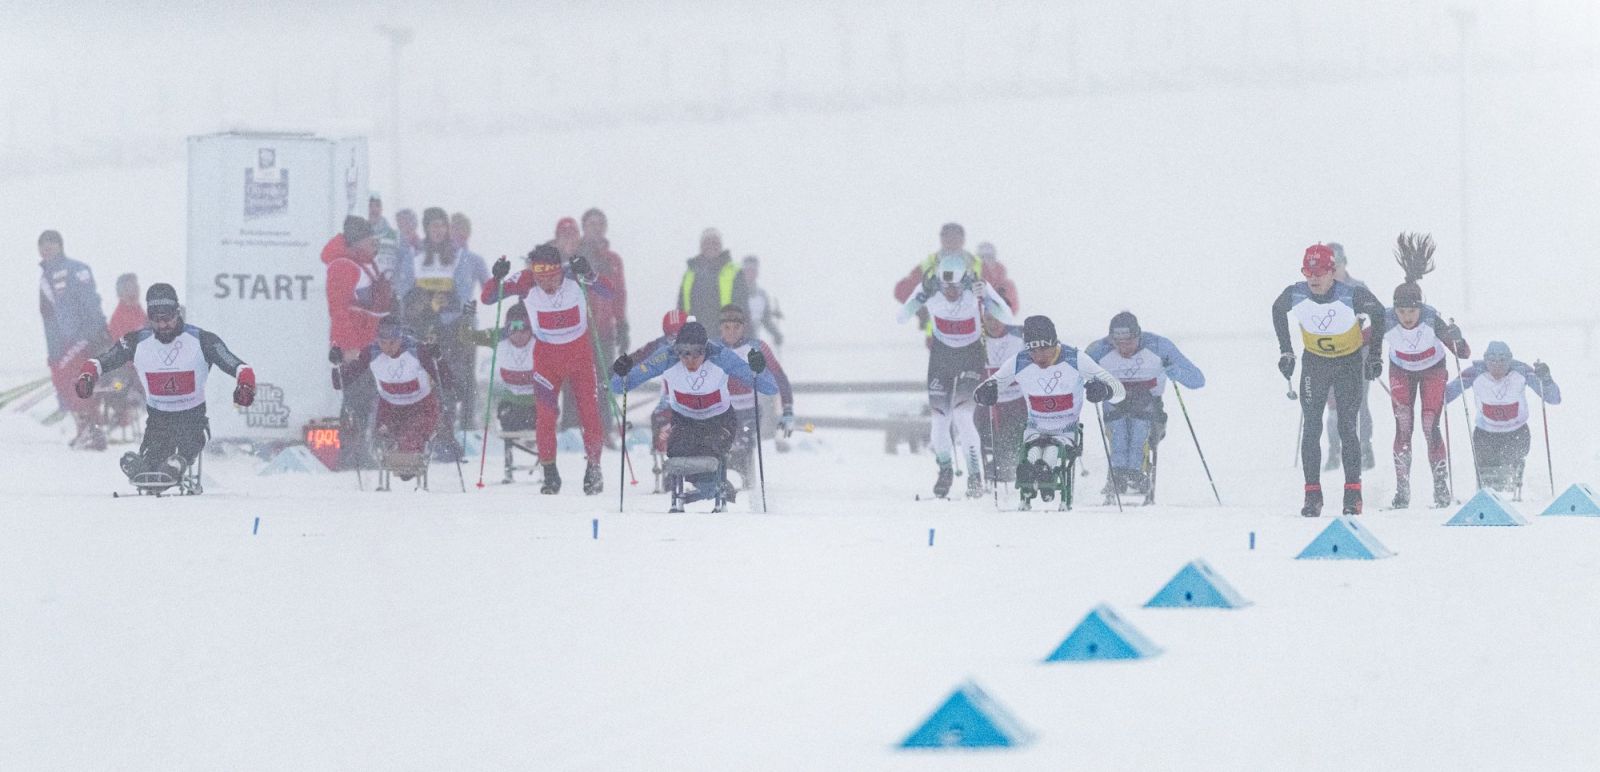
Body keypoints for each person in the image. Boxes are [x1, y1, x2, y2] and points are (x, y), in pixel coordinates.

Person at [75, 283, 254, 490]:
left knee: (188, 443)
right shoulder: (136, 341)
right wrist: (87, 376)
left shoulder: (202, 340)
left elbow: (239, 366)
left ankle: (178, 462)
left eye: (168, 318)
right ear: (149, 317)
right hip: (159, 421)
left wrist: (245, 386)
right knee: (152, 469)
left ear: (177, 313)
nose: (163, 325)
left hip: (192, 419)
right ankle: (147, 464)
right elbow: (101, 361)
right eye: (156, 319)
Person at [482, 244, 612, 495]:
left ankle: (594, 468)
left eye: (552, 276)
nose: (546, 283)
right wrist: (496, 276)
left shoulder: (574, 275)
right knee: (546, 416)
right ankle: (550, 474)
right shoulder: (525, 280)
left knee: (589, 413)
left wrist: (590, 274)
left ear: (559, 270)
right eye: (540, 277)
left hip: (579, 357)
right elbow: (488, 298)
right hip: (546, 358)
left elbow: (608, 291)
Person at [609, 320, 777, 510]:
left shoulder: (721, 356)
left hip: (719, 420)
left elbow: (769, 387)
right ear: (676, 350)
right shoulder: (666, 356)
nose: (690, 360)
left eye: (697, 352)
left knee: (709, 451)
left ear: (705, 349)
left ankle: (712, 486)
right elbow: (618, 386)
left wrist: (758, 369)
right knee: (676, 454)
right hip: (685, 421)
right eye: (683, 353)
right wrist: (622, 372)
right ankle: (710, 486)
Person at [1273, 243, 1387, 517]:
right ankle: (1312, 496)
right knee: (1312, 428)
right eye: (1308, 272)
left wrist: (1374, 355)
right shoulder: (1296, 293)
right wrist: (1286, 351)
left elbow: (1380, 313)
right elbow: (1277, 310)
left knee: (1347, 428)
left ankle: (1352, 494)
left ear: (1332, 271)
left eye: (1320, 272)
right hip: (1315, 363)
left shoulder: (1352, 295)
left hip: (1348, 363)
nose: (1313, 278)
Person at [897, 253, 1020, 498]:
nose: (950, 291)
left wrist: (987, 294)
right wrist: (920, 296)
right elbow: (901, 318)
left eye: (955, 286)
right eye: (945, 286)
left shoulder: (974, 291)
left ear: (965, 280)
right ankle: (945, 470)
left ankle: (975, 475)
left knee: (964, 416)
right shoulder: (930, 288)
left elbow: (1007, 316)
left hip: (971, 356)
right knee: (940, 420)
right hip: (941, 359)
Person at [975, 315, 1125, 507]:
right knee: (1034, 450)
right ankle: (1030, 478)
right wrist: (984, 394)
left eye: (1045, 349)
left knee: (1054, 450)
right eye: (1032, 350)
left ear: (1055, 342)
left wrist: (1105, 390)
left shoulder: (1075, 358)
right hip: (1035, 427)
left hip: (1066, 429)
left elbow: (1120, 391)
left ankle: (1046, 477)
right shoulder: (1019, 362)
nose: (1039, 356)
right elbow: (986, 388)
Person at [1383, 234, 1471, 508]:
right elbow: (1358, 341)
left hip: (1433, 370)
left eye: (1412, 311)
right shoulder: (1386, 319)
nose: (1407, 317)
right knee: (1404, 424)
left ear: (1420, 309)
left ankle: (1440, 487)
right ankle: (1402, 490)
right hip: (1401, 371)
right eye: (1402, 311)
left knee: (1429, 423)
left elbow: (1464, 353)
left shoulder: (1432, 319)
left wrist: (1457, 337)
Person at [1085, 311, 1205, 499]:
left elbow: (1198, 380)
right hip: (1115, 405)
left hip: (1148, 406)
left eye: (1129, 342)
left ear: (1138, 336)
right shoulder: (1098, 350)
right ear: (1111, 340)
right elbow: (1073, 378)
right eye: (1118, 343)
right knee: (1119, 431)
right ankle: (1118, 475)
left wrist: (1178, 372)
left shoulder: (1159, 346)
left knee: (1139, 428)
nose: (1124, 349)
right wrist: (1092, 386)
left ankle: (1136, 473)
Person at [331, 318, 447, 481]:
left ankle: (411, 463)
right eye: (383, 342)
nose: (388, 348)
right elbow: (341, 381)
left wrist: (438, 359)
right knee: (384, 438)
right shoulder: (371, 353)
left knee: (410, 440)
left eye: (393, 342)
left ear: (401, 338)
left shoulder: (417, 351)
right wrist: (337, 363)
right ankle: (397, 465)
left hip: (422, 406)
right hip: (390, 408)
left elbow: (446, 379)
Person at [322, 214, 393, 469]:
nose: (375, 244)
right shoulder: (344, 266)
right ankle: (350, 452)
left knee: (367, 397)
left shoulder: (363, 263)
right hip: (355, 345)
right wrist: (346, 346)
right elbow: (338, 309)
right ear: (357, 241)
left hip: (369, 342)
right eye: (370, 240)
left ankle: (359, 448)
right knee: (356, 398)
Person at [1446, 342, 1560, 497]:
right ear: (1485, 360)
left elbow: (1553, 398)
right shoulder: (1475, 373)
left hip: (1517, 433)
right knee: (1489, 480)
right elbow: (1446, 396)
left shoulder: (1523, 371)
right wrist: (1438, 382)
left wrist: (1546, 379)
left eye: (1502, 361)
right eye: (1492, 361)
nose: (1497, 366)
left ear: (1510, 360)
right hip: (1485, 434)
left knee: (1506, 477)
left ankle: (1515, 493)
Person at [36, 229, 110, 450]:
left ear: (60, 245)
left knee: (75, 383)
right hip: (59, 343)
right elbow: (49, 316)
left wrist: (97, 330)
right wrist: (53, 350)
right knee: (66, 383)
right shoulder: (45, 277)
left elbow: (90, 301)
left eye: (51, 244)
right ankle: (88, 430)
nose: (46, 249)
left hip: (80, 337)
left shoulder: (76, 270)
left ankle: (90, 430)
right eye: (42, 245)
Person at [715, 304, 795, 486]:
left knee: (742, 448)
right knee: (721, 448)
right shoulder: (713, 348)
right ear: (720, 328)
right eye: (727, 327)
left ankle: (746, 485)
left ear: (743, 327)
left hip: (749, 410)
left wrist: (787, 408)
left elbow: (779, 377)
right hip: (721, 411)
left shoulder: (757, 347)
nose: (731, 332)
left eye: (736, 327)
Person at [1322, 242, 1376, 471]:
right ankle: (1335, 451)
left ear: (1345, 264)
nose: (1334, 271)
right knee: (1333, 404)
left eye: (1338, 265)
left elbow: (1375, 319)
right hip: (1329, 353)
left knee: (1359, 401)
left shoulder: (1358, 288)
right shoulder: (1317, 290)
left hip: (1358, 353)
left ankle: (1365, 449)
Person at [461, 302, 537, 437]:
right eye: (513, 327)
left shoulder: (541, 340)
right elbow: (467, 337)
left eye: (524, 327)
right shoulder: (498, 337)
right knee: (508, 419)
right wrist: (467, 318)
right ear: (506, 328)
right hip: (511, 406)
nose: (518, 333)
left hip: (538, 405)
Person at [976, 308, 1025, 487]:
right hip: (989, 402)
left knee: (1012, 427)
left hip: (1016, 399)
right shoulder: (979, 340)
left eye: (998, 319)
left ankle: (1008, 465)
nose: (994, 324)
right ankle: (996, 464)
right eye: (989, 319)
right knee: (981, 428)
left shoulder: (1019, 337)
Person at [676, 228, 749, 323]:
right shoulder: (690, 273)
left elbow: (742, 304)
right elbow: (681, 305)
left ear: (720, 246)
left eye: (715, 243)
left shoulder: (734, 272)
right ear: (701, 246)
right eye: (707, 243)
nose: (711, 246)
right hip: (695, 332)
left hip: (726, 332)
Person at [741, 255, 784, 348]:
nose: (750, 274)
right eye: (747, 270)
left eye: (753, 270)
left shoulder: (761, 295)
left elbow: (766, 319)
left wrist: (776, 334)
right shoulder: (735, 292)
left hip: (752, 342)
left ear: (757, 272)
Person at [368, 192, 404, 281]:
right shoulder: (359, 237)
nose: (374, 210)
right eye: (370, 206)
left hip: (387, 289)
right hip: (365, 289)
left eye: (377, 205)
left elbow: (402, 265)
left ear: (381, 208)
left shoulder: (396, 236)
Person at [107, 273, 147, 340]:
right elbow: (123, 346)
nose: (137, 289)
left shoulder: (138, 309)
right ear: (123, 291)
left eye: (137, 286)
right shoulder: (118, 318)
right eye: (133, 287)